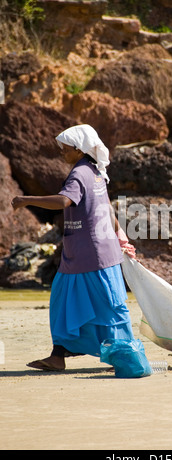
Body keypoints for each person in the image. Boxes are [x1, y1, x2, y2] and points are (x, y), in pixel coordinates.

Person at [11, 124, 136, 371]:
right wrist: (121, 237)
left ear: (79, 150)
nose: (61, 153)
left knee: (108, 307)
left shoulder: (80, 173)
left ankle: (125, 355)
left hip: (93, 255)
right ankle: (59, 355)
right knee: (65, 301)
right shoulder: (95, 171)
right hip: (82, 255)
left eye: (65, 149)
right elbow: (107, 208)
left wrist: (27, 200)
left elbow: (65, 200)